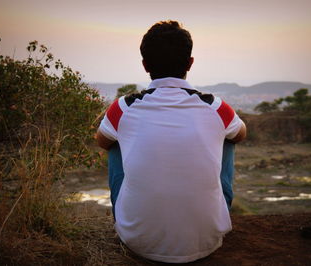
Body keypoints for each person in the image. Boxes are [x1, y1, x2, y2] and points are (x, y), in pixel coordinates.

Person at [96, 20, 246, 263]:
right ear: (190, 63)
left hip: (136, 241)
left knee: (114, 140)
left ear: (145, 65)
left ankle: (127, 217)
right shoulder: (215, 106)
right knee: (229, 136)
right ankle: (217, 215)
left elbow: (102, 141)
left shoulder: (124, 107)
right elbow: (241, 134)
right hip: (207, 241)